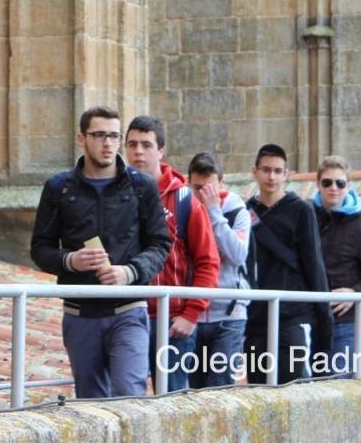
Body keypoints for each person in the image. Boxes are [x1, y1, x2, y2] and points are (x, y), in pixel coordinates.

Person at [30, 106, 172, 398]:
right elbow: (40, 248)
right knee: (91, 403)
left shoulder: (141, 186)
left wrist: (129, 271)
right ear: (81, 138)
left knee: (129, 395)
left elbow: (160, 244)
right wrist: (70, 260)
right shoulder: (59, 188)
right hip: (79, 311)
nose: (107, 143)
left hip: (129, 308)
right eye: (99, 135)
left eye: (114, 136)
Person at [124, 116, 218, 392]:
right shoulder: (116, 195)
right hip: (128, 314)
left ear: (161, 150)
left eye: (146, 145)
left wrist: (192, 313)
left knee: (173, 400)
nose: (138, 151)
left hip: (173, 321)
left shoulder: (184, 200)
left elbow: (208, 261)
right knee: (127, 398)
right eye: (132, 144)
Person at [243, 144, 333, 384]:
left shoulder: (302, 211)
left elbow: (313, 263)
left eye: (277, 170)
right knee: (257, 387)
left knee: (291, 385)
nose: (271, 176)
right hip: (256, 315)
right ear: (255, 171)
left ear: (287, 174)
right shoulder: (245, 211)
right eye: (266, 170)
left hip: (292, 314)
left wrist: (325, 318)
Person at [312, 155, 361, 376]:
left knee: (340, 388)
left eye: (340, 183)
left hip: (344, 322)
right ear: (318, 184)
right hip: (309, 318)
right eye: (327, 182)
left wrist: (355, 292)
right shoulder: (306, 216)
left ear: (348, 186)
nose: (333, 188)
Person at [187, 151, 251, 388]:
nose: (203, 195)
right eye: (198, 188)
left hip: (228, 315)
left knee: (219, 388)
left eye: (209, 188)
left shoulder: (237, 212)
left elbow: (237, 254)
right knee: (193, 391)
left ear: (221, 184)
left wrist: (214, 212)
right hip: (192, 315)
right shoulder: (184, 210)